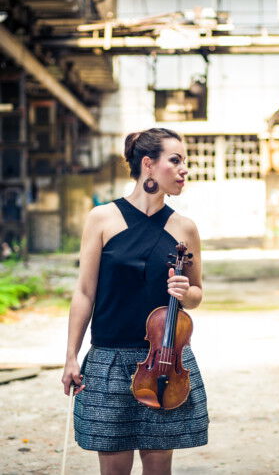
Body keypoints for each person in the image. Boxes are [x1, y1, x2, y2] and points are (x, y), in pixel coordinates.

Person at [61, 128, 209, 475]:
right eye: (175, 160)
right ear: (148, 164)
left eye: (184, 161)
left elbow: (197, 294)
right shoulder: (102, 218)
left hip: (165, 363)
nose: (184, 169)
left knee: (158, 465)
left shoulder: (185, 228)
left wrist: (185, 292)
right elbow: (85, 292)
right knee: (113, 467)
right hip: (109, 359)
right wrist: (71, 356)